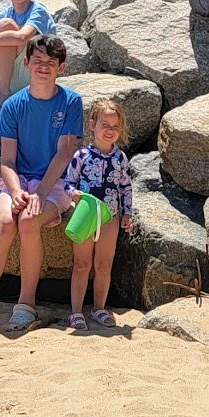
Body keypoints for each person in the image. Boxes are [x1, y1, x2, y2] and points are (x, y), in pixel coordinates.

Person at [0, 34, 84, 333]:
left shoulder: (71, 101)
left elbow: (65, 151)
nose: (44, 67)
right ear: (26, 63)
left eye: (50, 63)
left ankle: (25, 305)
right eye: (38, 61)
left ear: (61, 68)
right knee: (6, 221)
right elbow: (7, 161)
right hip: (18, 180)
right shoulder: (14, 105)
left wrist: (40, 193)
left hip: (53, 184)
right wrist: (16, 192)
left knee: (28, 221)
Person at [61, 98, 136, 331]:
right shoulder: (81, 155)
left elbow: (126, 186)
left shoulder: (120, 158)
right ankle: (76, 311)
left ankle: (99, 308)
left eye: (115, 127)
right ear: (92, 125)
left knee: (104, 265)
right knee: (82, 264)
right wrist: (73, 195)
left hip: (110, 217)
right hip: (85, 215)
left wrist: (127, 213)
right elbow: (67, 183)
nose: (110, 131)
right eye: (105, 125)